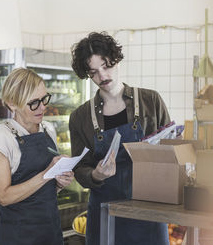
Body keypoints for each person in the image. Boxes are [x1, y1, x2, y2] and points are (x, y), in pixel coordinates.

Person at [69, 32, 171, 245]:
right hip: (105, 211)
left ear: (116, 60)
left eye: (106, 66)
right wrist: (96, 174)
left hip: (148, 211)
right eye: (94, 72)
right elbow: (79, 169)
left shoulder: (150, 101)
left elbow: (170, 152)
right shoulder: (80, 117)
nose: (102, 76)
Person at [0, 68, 74, 245]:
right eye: (34, 103)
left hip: (51, 232)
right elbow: (4, 196)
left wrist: (60, 182)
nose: (43, 107)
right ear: (12, 103)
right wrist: (47, 174)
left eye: (44, 99)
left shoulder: (48, 129)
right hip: (19, 236)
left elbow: (44, 191)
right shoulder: (1, 138)